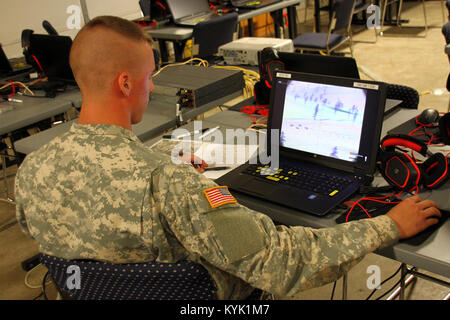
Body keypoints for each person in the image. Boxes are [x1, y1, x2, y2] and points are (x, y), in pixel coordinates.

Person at [15, 16, 442, 300]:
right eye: (149, 78)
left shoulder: (32, 168)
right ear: (126, 83)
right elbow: (282, 262)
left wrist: (189, 191)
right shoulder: (171, 184)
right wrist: (388, 225)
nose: (152, 89)